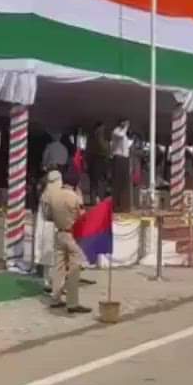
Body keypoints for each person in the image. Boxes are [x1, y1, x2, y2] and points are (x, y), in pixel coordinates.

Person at [40, 169, 90, 314]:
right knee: (75, 267)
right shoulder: (74, 197)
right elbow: (82, 217)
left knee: (59, 268)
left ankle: (56, 298)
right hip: (71, 235)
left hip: (59, 233)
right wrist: (80, 198)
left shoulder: (54, 195)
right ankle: (72, 303)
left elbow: (48, 216)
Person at [110, 120, 133, 213]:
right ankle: (116, 205)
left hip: (124, 159)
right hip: (118, 158)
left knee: (124, 183)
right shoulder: (116, 131)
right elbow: (121, 135)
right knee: (117, 183)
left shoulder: (124, 134)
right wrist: (125, 127)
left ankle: (123, 205)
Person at [86, 122, 110, 204]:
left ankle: (95, 201)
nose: (103, 131)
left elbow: (87, 152)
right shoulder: (99, 139)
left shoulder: (91, 139)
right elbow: (105, 150)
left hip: (96, 161)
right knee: (99, 183)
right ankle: (99, 201)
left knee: (95, 183)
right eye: (101, 129)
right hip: (98, 161)